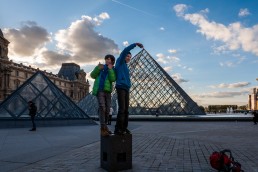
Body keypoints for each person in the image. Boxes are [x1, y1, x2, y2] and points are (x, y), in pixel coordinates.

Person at [114, 43, 144, 135]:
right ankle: (118, 129)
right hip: (120, 87)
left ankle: (124, 128)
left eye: (130, 57)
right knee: (122, 109)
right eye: (127, 56)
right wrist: (135, 44)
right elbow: (125, 51)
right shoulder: (119, 62)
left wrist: (129, 85)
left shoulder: (126, 66)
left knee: (126, 110)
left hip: (126, 87)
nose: (128, 58)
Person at [90, 54, 116, 136]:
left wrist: (110, 70)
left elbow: (113, 79)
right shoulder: (100, 67)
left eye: (109, 59)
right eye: (106, 59)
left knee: (107, 109)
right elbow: (92, 75)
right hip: (99, 90)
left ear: (112, 61)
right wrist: (98, 68)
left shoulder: (113, 69)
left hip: (108, 91)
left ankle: (105, 127)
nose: (108, 60)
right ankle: (103, 128)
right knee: (102, 107)